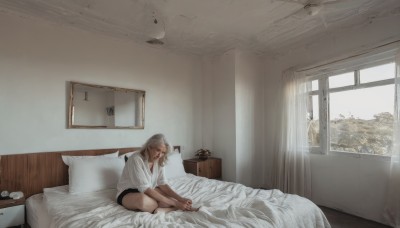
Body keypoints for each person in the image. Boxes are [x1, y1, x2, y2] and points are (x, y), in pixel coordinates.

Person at [116, 133, 195, 213]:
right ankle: (171, 208)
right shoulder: (136, 159)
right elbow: (145, 189)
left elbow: (162, 184)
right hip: (128, 192)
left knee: (169, 199)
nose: (159, 155)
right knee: (143, 201)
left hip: (149, 189)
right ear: (149, 147)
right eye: (158, 150)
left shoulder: (160, 160)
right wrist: (175, 203)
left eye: (163, 152)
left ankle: (164, 208)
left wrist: (180, 199)